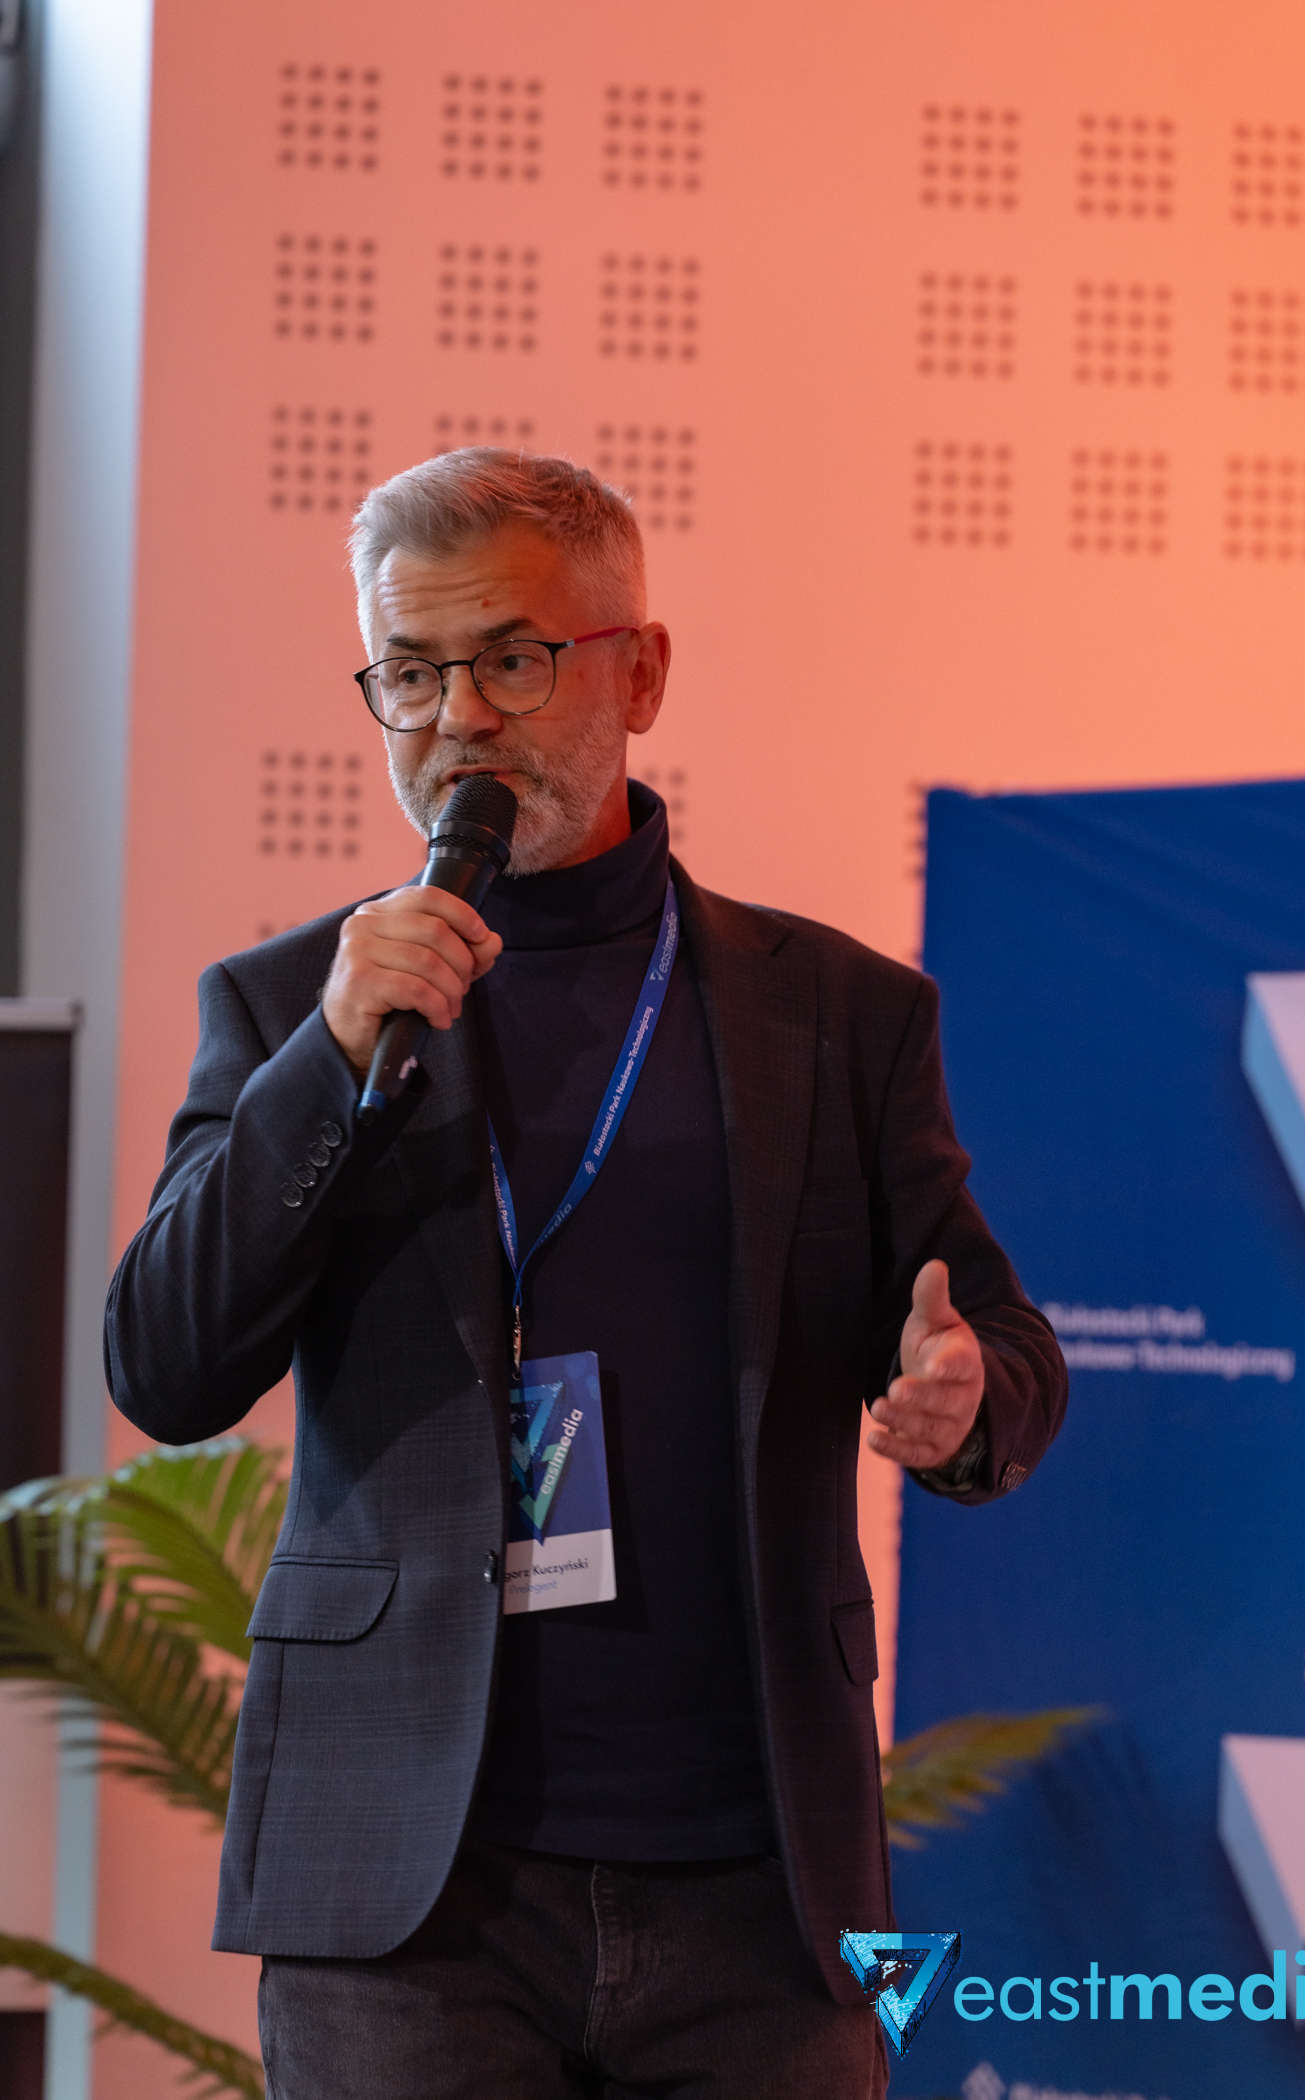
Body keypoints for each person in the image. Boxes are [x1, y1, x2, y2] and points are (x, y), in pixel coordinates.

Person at [105, 448, 1067, 2100]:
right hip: (406, 1894)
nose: (458, 719)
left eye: (512, 659)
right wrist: (330, 1058)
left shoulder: (834, 1012)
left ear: (641, 674)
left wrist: (963, 1394)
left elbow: (994, 1340)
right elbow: (165, 1368)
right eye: (409, 673)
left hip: (757, 1885)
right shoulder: (288, 1007)